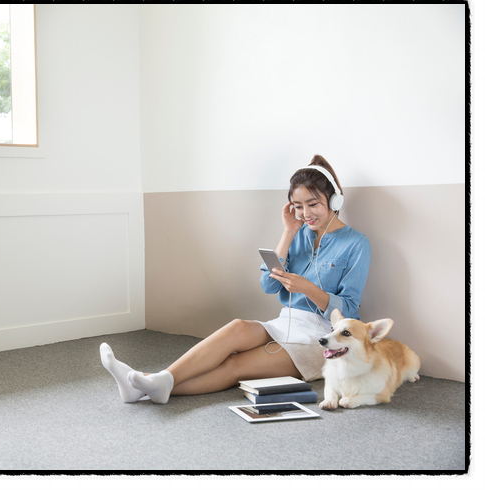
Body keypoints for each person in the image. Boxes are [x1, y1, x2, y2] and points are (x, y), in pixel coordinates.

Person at [100, 155, 371, 404]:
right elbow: (268, 285)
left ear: (333, 201)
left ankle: (144, 384)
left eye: (313, 204)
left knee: (234, 364)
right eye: (299, 206)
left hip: (324, 337)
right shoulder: (299, 233)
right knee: (237, 327)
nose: (306, 213)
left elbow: (348, 310)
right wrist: (288, 232)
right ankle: (161, 379)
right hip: (287, 321)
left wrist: (307, 288)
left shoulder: (356, 243)